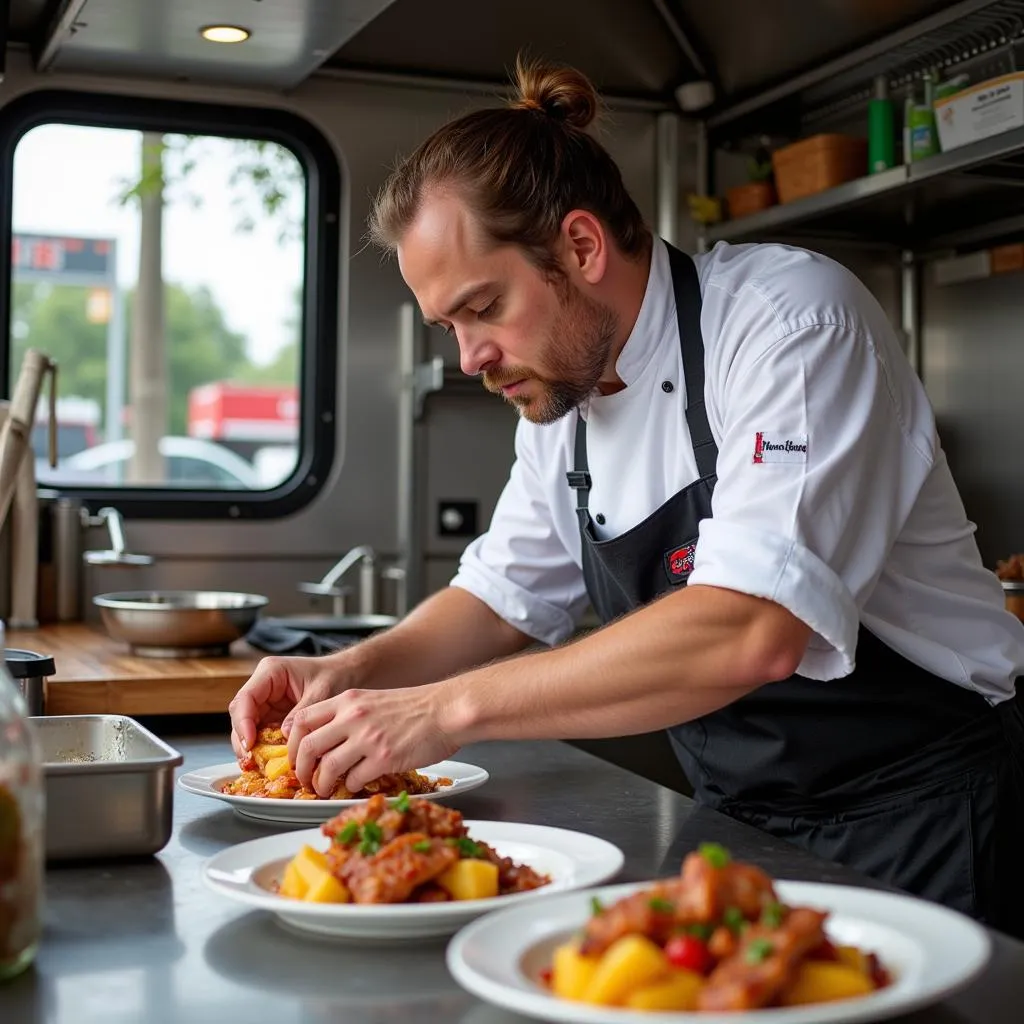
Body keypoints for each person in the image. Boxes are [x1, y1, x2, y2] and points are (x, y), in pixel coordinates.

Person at [229, 56, 1024, 935]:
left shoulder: (790, 325)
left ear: (580, 246)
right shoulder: (558, 406)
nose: (469, 358)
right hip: (742, 828)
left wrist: (442, 710)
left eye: (483, 308)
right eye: (449, 326)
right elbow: (502, 599)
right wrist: (353, 672)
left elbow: (751, 630)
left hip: (932, 818)